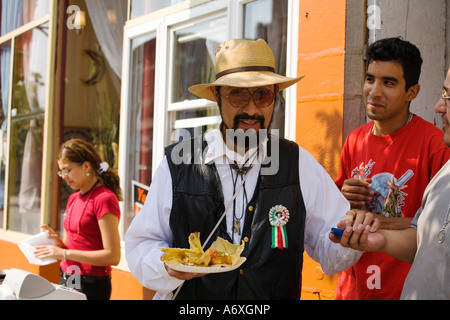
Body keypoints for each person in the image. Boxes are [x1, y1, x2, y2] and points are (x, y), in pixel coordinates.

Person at [124, 38, 367, 300]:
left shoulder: (298, 163)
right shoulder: (179, 163)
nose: (251, 109)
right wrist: (167, 267)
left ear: (275, 96)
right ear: (217, 96)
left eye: (263, 95)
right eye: (238, 94)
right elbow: (142, 244)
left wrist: (351, 237)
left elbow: (329, 248)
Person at [334, 37, 450, 300]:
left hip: (402, 290)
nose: (374, 91)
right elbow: (338, 210)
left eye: (388, 83)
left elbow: (439, 228)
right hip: (351, 288)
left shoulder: (436, 146)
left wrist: (381, 223)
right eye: (370, 79)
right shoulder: (355, 139)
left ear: (412, 92)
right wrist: (344, 198)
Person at [35, 139, 122, 300]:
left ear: (86, 166)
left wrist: (63, 252)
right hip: (68, 277)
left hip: (91, 284)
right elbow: (74, 246)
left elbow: (113, 256)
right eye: (61, 172)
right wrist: (58, 244)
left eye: (67, 170)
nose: (64, 176)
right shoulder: (73, 198)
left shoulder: (104, 199)